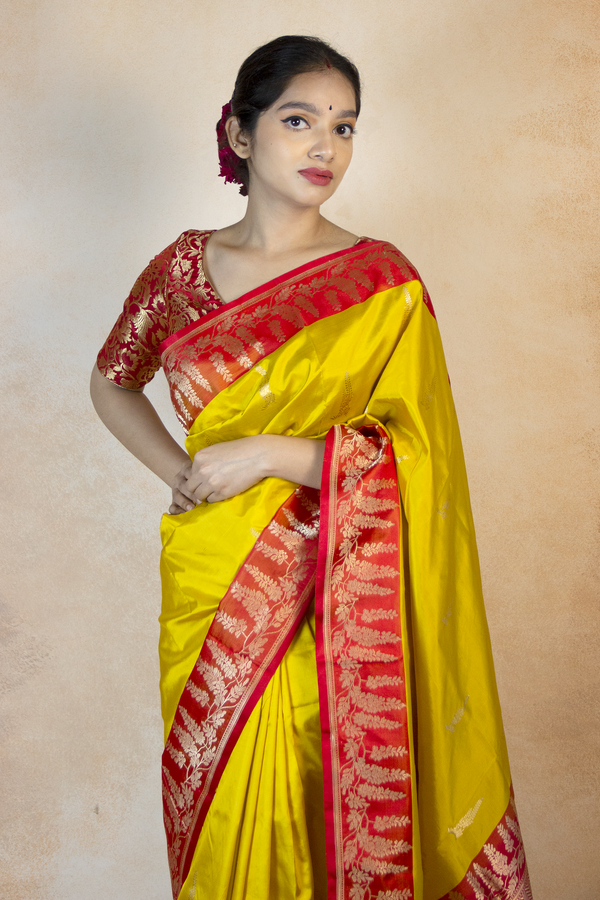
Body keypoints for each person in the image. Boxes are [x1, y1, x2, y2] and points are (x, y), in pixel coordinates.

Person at [91, 34, 531, 900]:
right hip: (213, 579)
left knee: (329, 785)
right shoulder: (181, 270)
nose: (326, 145)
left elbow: (426, 457)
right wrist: (180, 471)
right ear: (241, 133)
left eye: (345, 125)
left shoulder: (381, 281)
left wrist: (270, 453)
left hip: (337, 583)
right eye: (300, 120)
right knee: (224, 811)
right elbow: (113, 383)